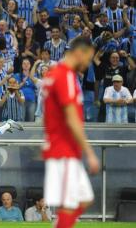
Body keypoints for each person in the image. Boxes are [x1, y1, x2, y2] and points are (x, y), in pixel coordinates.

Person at [43, 36, 100, 228]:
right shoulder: (65, 75)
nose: (88, 64)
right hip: (63, 150)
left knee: (83, 200)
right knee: (69, 206)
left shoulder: (55, 74)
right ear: (79, 53)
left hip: (65, 150)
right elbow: (72, 119)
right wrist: (90, 153)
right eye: (89, 58)